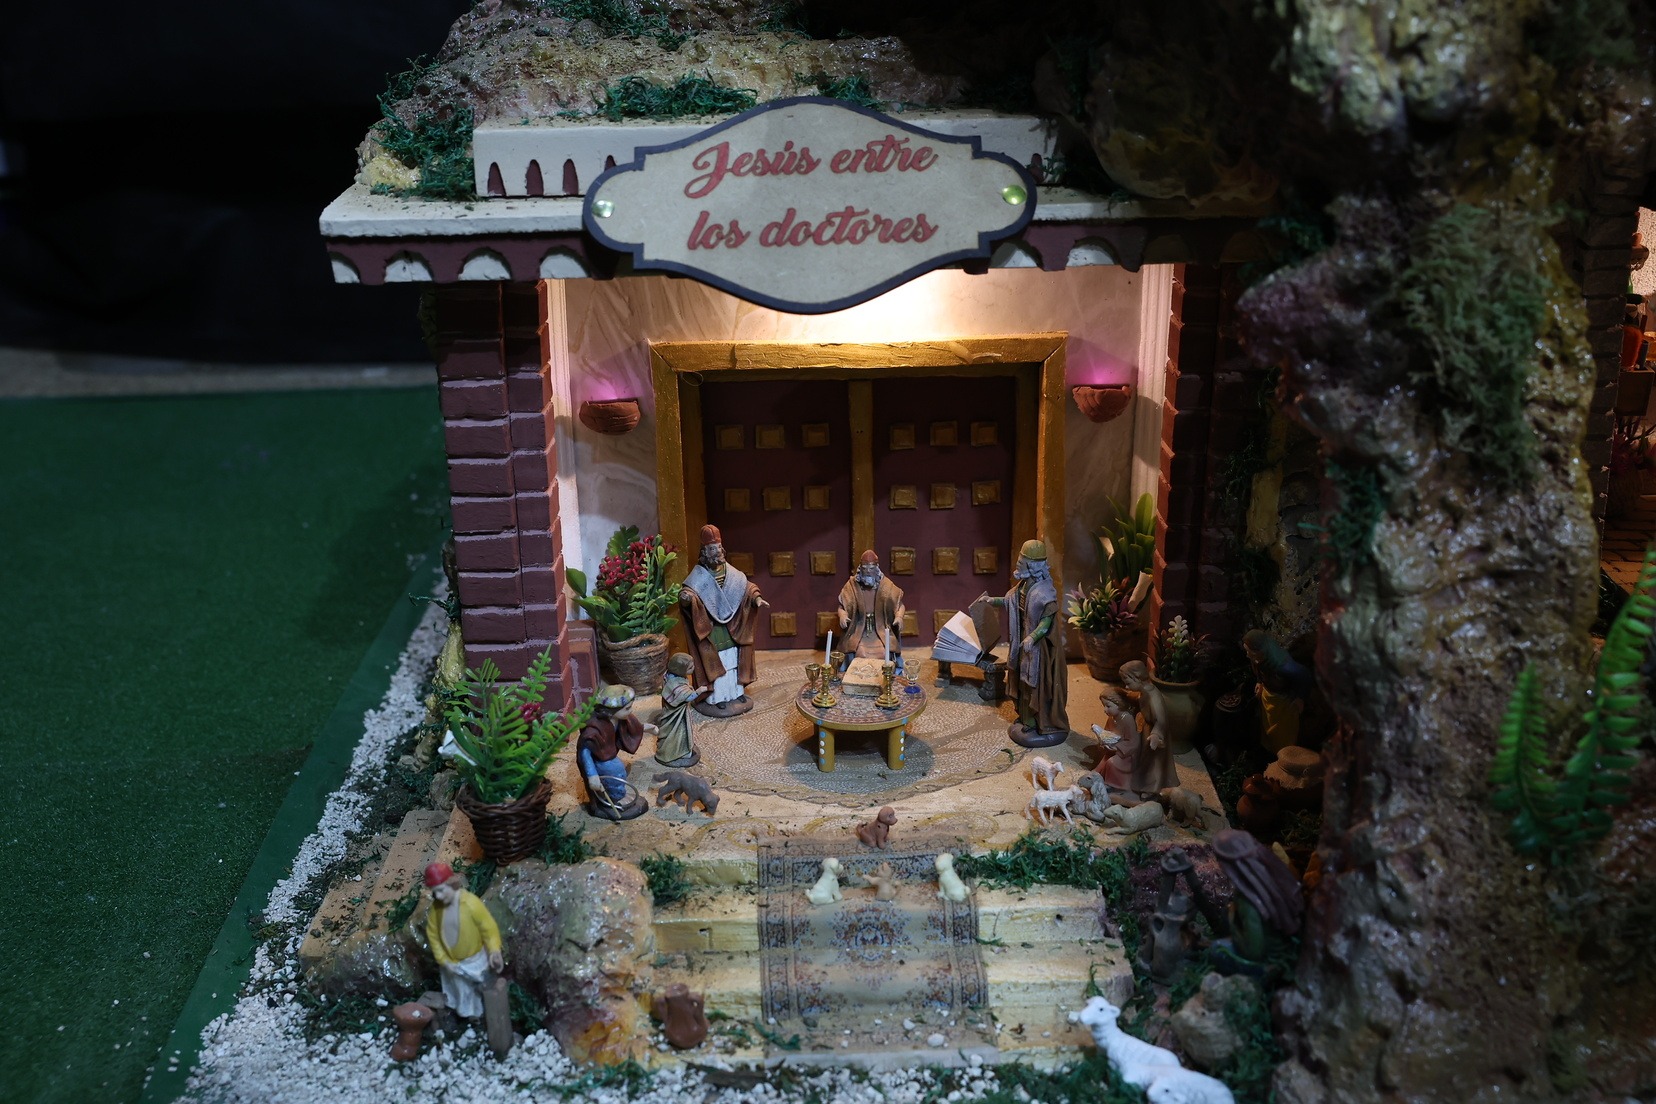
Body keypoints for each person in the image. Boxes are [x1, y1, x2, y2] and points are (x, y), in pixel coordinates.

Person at [982, 539, 1069, 746]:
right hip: (1020, 645)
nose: (1017, 565)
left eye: (1021, 562)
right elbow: (1009, 601)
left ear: (1032, 566)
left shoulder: (1045, 593)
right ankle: (1024, 717)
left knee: (1033, 685)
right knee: (1020, 682)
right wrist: (992, 601)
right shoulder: (1022, 586)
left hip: (1038, 651)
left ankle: (1037, 722)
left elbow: (1046, 623)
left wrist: (1032, 637)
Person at [680, 524, 766, 717]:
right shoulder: (699, 576)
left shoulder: (731, 572)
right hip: (713, 628)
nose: (717, 552)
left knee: (734, 660)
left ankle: (736, 693)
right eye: (712, 549)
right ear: (704, 552)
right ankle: (716, 698)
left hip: (732, 626)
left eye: (718, 547)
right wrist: (686, 599)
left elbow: (746, 587)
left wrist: (756, 598)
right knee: (716, 662)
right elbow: (689, 592)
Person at [422, 861, 503, 1019]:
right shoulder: (435, 910)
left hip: (474, 960)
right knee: (459, 992)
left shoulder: (471, 904)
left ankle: (480, 1015)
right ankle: (463, 1015)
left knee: (478, 991)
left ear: (451, 884)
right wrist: (443, 959)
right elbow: (433, 936)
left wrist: (494, 950)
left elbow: (489, 928)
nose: (439, 896)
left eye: (441, 890)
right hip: (452, 964)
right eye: (435, 893)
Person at [577, 684, 649, 820]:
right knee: (615, 774)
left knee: (619, 773)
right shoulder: (593, 730)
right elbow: (585, 752)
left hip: (610, 759)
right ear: (611, 711)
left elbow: (634, 728)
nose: (631, 711)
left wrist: (647, 728)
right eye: (627, 708)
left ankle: (618, 795)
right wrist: (592, 775)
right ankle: (615, 799)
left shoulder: (618, 719)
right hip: (602, 762)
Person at [1118, 660, 1180, 793]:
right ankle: (1142, 783)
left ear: (1137, 678)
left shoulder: (1154, 697)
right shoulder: (1144, 691)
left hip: (1154, 733)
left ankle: (1153, 789)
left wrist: (1156, 735)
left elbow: (1161, 720)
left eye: (1128, 682)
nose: (1126, 686)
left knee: (1154, 762)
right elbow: (1138, 698)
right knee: (1145, 760)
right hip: (1146, 729)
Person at [837, 550, 905, 668]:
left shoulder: (886, 586)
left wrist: (899, 617)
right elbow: (842, 606)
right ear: (860, 569)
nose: (868, 571)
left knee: (884, 652)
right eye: (865, 568)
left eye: (871, 568)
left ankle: (885, 672)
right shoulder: (852, 586)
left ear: (877, 568)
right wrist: (842, 615)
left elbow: (900, 605)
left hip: (881, 628)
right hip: (859, 629)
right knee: (860, 652)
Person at [654, 653, 706, 767]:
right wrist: (699, 691)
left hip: (670, 711)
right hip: (676, 715)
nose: (694, 668)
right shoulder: (676, 684)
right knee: (678, 733)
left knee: (670, 732)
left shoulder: (668, 675)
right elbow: (688, 697)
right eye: (690, 667)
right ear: (680, 669)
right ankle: (679, 753)